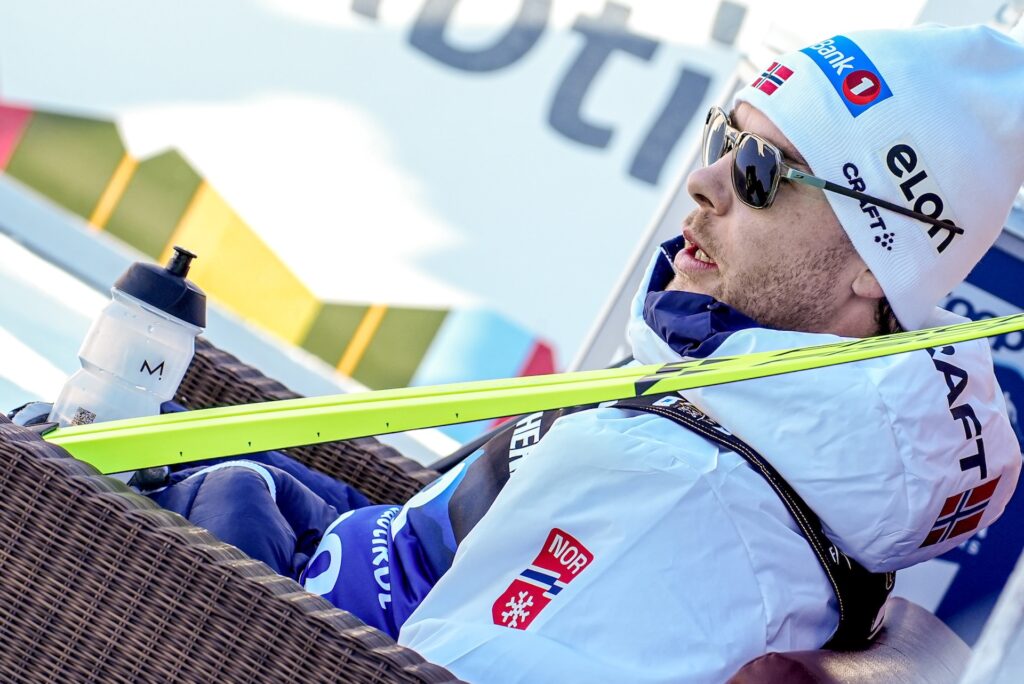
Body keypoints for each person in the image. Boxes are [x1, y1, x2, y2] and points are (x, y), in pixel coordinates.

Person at [61, 22, 1021, 683]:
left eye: (763, 172)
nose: (704, 180)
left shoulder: (688, 497)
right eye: (726, 135)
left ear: (871, 268)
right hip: (333, 566)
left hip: (241, 623)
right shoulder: (761, 405)